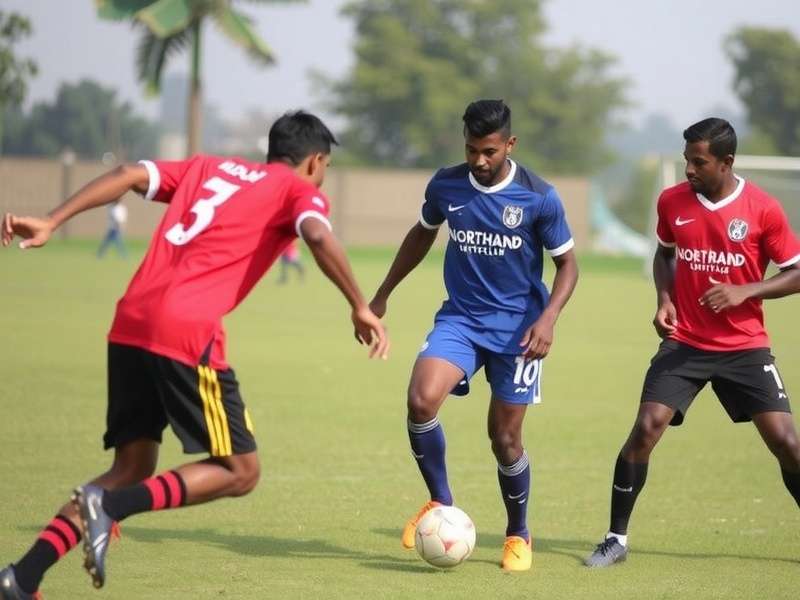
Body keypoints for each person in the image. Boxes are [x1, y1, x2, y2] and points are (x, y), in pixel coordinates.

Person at [0, 110, 389, 598]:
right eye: (325, 166)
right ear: (315, 161)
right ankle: (111, 508)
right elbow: (315, 233)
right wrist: (359, 304)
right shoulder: (297, 191)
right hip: (185, 331)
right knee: (240, 471)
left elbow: (126, 174)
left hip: (130, 321)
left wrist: (53, 219)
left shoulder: (209, 167)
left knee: (131, 468)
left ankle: (23, 577)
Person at [369, 99, 579, 571]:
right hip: (460, 320)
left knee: (504, 439)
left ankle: (518, 533)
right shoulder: (446, 183)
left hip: (519, 333)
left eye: (489, 151)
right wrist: (382, 293)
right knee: (421, 401)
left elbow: (568, 264)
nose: (479, 161)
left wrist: (548, 319)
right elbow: (422, 233)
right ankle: (440, 502)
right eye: (471, 150)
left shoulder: (538, 196)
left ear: (510, 144)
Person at [584, 118, 800, 568]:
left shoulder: (762, 209)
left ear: (727, 162)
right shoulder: (672, 202)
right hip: (685, 343)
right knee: (645, 429)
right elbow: (664, 254)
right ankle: (615, 540)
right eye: (686, 160)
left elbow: (796, 270)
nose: (688, 169)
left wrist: (747, 291)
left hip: (744, 345)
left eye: (698, 162)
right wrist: (664, 297)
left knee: (787, 443)